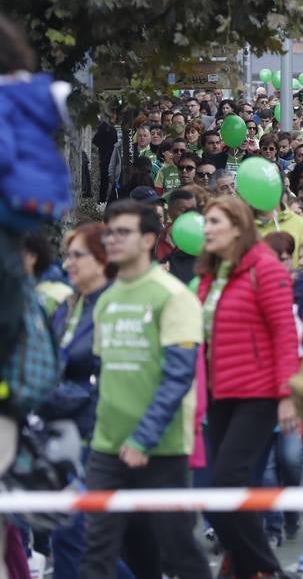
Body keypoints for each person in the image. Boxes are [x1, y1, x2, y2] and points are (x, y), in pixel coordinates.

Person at [84, 200, 211, 579]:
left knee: (177, 551)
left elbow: (178, 377)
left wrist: (143, 438)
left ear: (149, 240)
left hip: (162, 448)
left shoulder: (173, 296)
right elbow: (103, 374)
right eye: (109, 232)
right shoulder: (106, 299)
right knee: (98, 554)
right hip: (107, 448)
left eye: (123, 232)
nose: (112, 239)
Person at [194, 196, 300, 579]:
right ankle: (242, 567)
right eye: (205, 221)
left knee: (226, 482)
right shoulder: (211, 274)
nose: (206, 229)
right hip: (219, 394)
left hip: (258, 394)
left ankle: (266, 569)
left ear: (238, 226)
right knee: (223, 492)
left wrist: (287, 394)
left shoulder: (264, 268)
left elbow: (285, 333)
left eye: (214, 222)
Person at [43, 224, 117, 578]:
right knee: (70, 536)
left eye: (77, 255)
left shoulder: (113, 305)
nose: (68, 263)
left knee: (74, 534)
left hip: (96, 432)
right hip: (61, 430)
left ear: (103, 260)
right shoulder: (69, 305)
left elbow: (113, 374)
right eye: (66, 255)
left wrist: (67, 395)